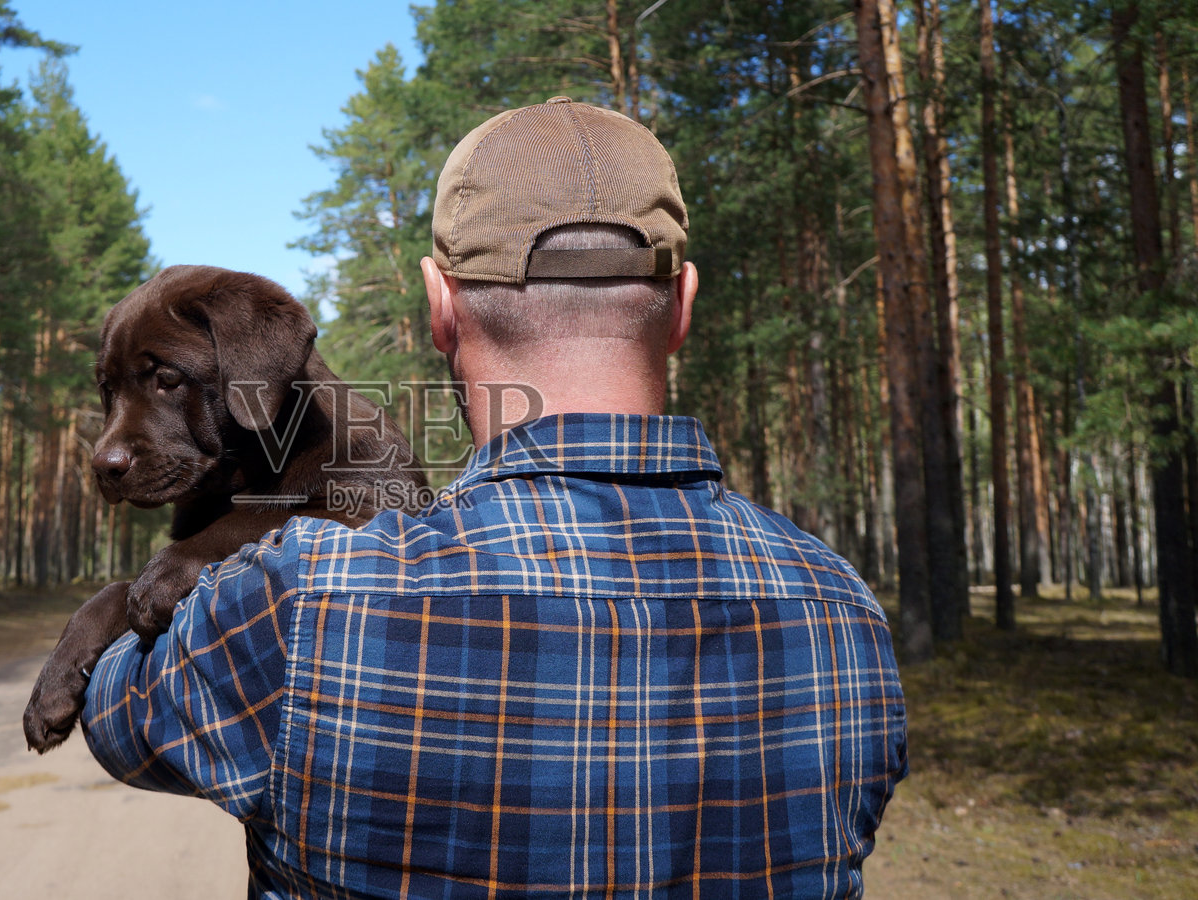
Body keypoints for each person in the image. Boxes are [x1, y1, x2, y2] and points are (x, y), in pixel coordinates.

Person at [80, 97, 908, 899]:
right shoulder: (845, 614)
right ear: (682, 304)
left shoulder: (296, 603)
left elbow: (112, 711)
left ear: (442, 309)